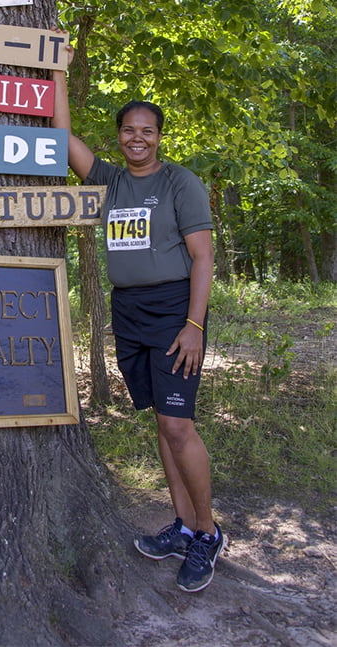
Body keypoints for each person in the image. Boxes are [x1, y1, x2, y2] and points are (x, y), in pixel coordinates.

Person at [51, 47, 226, 593]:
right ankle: (181, 526)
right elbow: (59, 140)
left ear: (158, 137)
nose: (137, 139)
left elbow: (203, 257)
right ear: (120, 135)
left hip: (176, 311)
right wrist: (55, 68)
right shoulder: (107, 180)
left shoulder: (179, 183)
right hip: (128, 312)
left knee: (178, 424)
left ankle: (208, 534)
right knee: (160, 423)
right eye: (129, 130)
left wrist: (193, 325)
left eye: (147, 131)